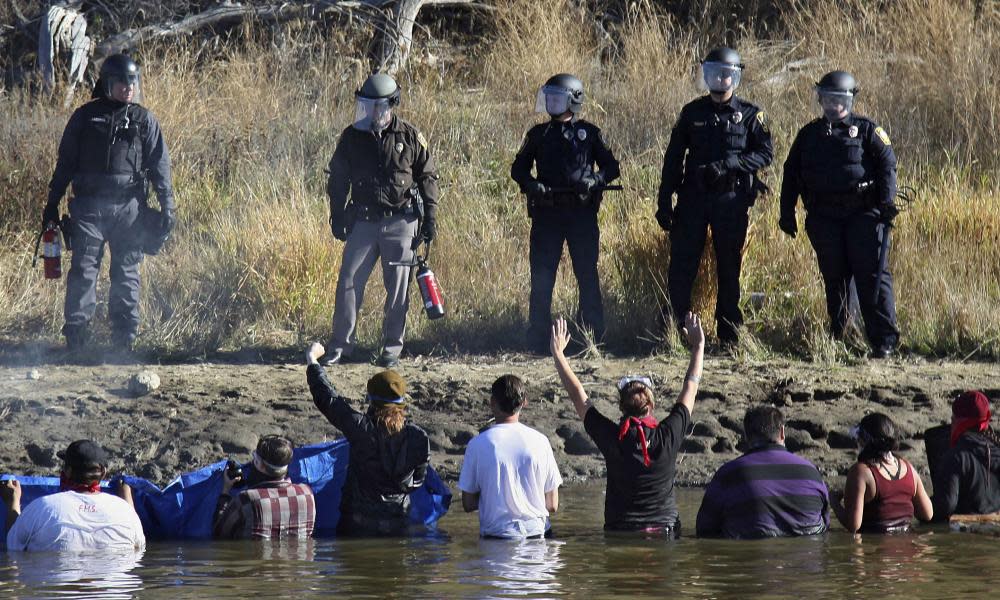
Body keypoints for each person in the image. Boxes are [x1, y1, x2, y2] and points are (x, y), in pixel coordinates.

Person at [44, 53, 175, 352]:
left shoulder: (144, 120)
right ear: (107, 83)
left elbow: (160, 168)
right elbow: (65, 163)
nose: (128, 88)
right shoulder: (84, 117)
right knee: (84, 269)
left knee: (127, 271)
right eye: (121, 82)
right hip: (88, 209)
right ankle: (77, 338)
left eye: (133, 82)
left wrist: (169, 207)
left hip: (129, 210)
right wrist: (52, 204)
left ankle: (124, 340)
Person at [656, 47, 773, 345]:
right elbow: (673, 158)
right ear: (705, 75)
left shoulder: (750, 114)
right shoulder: (692, 112)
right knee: (682, 265)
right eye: (714, 73)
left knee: (729, 267)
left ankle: (729, 333)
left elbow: (764, 153)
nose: (720, 79)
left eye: (726, 74)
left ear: (735, 77)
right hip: (693, 199)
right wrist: (664, 199)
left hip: (730, 200)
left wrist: (731, 165)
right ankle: (675, 327)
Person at [779, 70, 899, 357]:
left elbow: (887, 166)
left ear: (850, 100)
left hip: (864, 215)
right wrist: (787, 212)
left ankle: (883, 340)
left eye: (840, 99)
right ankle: (840, 333)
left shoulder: (868, 130)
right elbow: (790, 172)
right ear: (820, 99)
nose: (834, 105)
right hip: (824, 217)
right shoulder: (809, 135)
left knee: (872, 276)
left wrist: (886, 203)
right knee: (834, 277)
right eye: (828, 99)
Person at [549, 313, 703, 535]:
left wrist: (558, 355)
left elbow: (578, 396)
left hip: (620, 533)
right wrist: (698, 347)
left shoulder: (613, 437)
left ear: (621, 407)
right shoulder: (669, 434)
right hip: (664, 533)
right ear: (651, 404)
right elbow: (691, 387)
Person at [324, 73, 440, 368]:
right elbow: (338, 179)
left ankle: (391, 347)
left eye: (379, 106)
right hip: (362, 221)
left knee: (398, 287)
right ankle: (340, 346)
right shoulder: (351, 137)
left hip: (401, 221)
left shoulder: (411, 137)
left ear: (392, 105)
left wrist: (430, 218)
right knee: (349, 281)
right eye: (368, 105)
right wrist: (337, 215)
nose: (373, 112)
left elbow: (428, 178)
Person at [510, 73, 621, 352]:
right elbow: (518, 168)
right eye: (548, 97)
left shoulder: (590, 134)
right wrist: (532, 184)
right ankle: (538, 338)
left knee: (587, 275)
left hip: (581, 215)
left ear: (573, 100)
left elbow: (612, 167)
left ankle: (592, 337)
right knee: (542, 277)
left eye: (557, 98)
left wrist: (595, 180)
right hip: (547, 216)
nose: (551, 103)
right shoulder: (538, 135)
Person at [306, 342, 431, 535]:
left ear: (371, 399)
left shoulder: (361, 428)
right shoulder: (418, 437)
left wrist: (313, 360)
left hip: (357, 526)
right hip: (398, 524)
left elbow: (328, 398)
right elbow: (417, 482)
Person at [696, 405, 830, 539]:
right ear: (782, 432)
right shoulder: (812, 472)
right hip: (807, 555)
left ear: (747, 436)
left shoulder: (728, 474)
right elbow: (825, 524)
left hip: (748, 555)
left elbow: (704, 529)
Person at [458, 375, 562, 538]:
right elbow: (552, 505)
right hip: (539, 537)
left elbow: (468, 504)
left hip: (496, 539)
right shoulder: (541, 441)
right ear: (524, 402)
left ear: (492, 402)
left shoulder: (477, 444)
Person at [1, 440, 145, 552]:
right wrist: (127, 501)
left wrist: (12, 502)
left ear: (68, 471)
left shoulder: (43, 508)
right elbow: (138, 547)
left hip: (54, 588)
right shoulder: (125, 512)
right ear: (104, 472)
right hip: (116, 590)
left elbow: (12, 543)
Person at [830, 413, 933, 533]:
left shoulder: (861, 472)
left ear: (863, 440)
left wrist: (834, 502)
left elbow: (853, 525)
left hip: (876, 547)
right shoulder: (908, 468)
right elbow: (927, 514)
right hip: (909, 545)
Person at [213, 435, 316, 540]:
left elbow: (219, 532)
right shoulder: (307, 493)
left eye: (255, 458)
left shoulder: (247, 499)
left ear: (260, 465)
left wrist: (225, 492)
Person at [931, 391, 1000, 520]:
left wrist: (920, 507)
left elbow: (945, 507)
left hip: (969, 532)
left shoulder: (955, 457)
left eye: (953, 419)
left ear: (959, 421)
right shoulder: (996, 449)